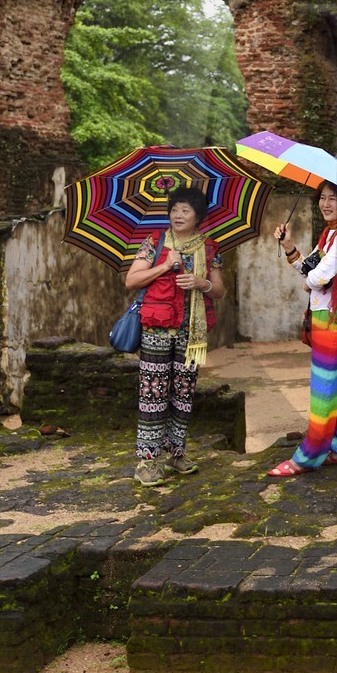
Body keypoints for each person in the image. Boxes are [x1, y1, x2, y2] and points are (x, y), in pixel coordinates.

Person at [124, 184, 226, 487]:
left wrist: (200, 283)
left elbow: (219, 290)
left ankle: (176, 453)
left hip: (190, 334)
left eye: (186, 210)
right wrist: (165, 265)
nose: (178, 215)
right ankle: (147, 461)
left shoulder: (210, 248)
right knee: (153, 396)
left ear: (198, 216)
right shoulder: (155, 242)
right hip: (156, 329)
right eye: (174, 209)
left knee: (183, 395)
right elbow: (132, 279)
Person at [267, 181, 337, 476]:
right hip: (326, 315)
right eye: (322, 198)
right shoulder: (330, 234)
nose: (326, 203)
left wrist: (311, 278)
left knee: (323, 386)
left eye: (333, 198)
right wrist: (288, 246)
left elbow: (318, 277)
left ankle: (307, 457)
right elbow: (307, 268)